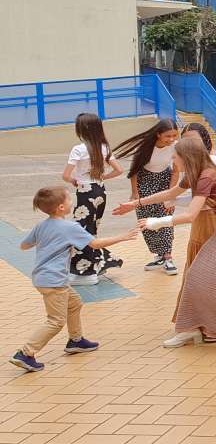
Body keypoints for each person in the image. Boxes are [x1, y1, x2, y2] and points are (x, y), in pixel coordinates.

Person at [113, 138, 216, 354]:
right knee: (195, 277)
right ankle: (191, 328)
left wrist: (156, 222)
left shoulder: (206, 176)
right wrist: (135, 203)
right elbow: (170, 194)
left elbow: (190, 215)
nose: (173, 159)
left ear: (186, 157)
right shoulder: (196, 174)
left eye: (175, 155)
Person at [10, 186, 136, 372]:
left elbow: (24, 245)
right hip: (54, 281)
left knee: (75, 302)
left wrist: (47, 242)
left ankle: (76, 340)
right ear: (61, 207)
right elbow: (95, 244)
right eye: (69, 199)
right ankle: (25, 353)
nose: (72, 202)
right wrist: (122, 237)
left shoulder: (41, 226)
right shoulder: (70, 228)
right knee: (55, 321)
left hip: (43, 278)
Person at [171, 123, 216, 326]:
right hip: (199, 219)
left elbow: (212, 198)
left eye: (194, 139)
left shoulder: (212, 163)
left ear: (205, 140)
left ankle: (210, 323)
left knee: (208, 272)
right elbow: (188, 195)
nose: (190, 144)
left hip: (213, 220)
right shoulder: (192, 164)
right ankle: (193, 323)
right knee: (195, 269)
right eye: (185, 139)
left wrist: (162, 217)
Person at [62, 113, 125, 285]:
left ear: (81, 129)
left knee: (80, 232)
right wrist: (103, 177)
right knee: (91, 230)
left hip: (85, 193)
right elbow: (119, 170)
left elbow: (66, 175)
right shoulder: (105, 147)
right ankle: (95, 265)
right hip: (100, 191)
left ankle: (85, 272)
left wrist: (74, 180)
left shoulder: (78, 149)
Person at [113, 118, 179, 275]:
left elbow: (176, 171)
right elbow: (134, 171)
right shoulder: (145, 147)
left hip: (165, 180)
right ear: (158, 134)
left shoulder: (176, 147)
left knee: (165, 218)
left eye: (174, 135)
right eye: (168, 136)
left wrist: (170, 195)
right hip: (145, 182)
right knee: (145, 220)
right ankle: (159, 256)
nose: (171, 139)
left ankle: (168, 257)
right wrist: (135, 193)